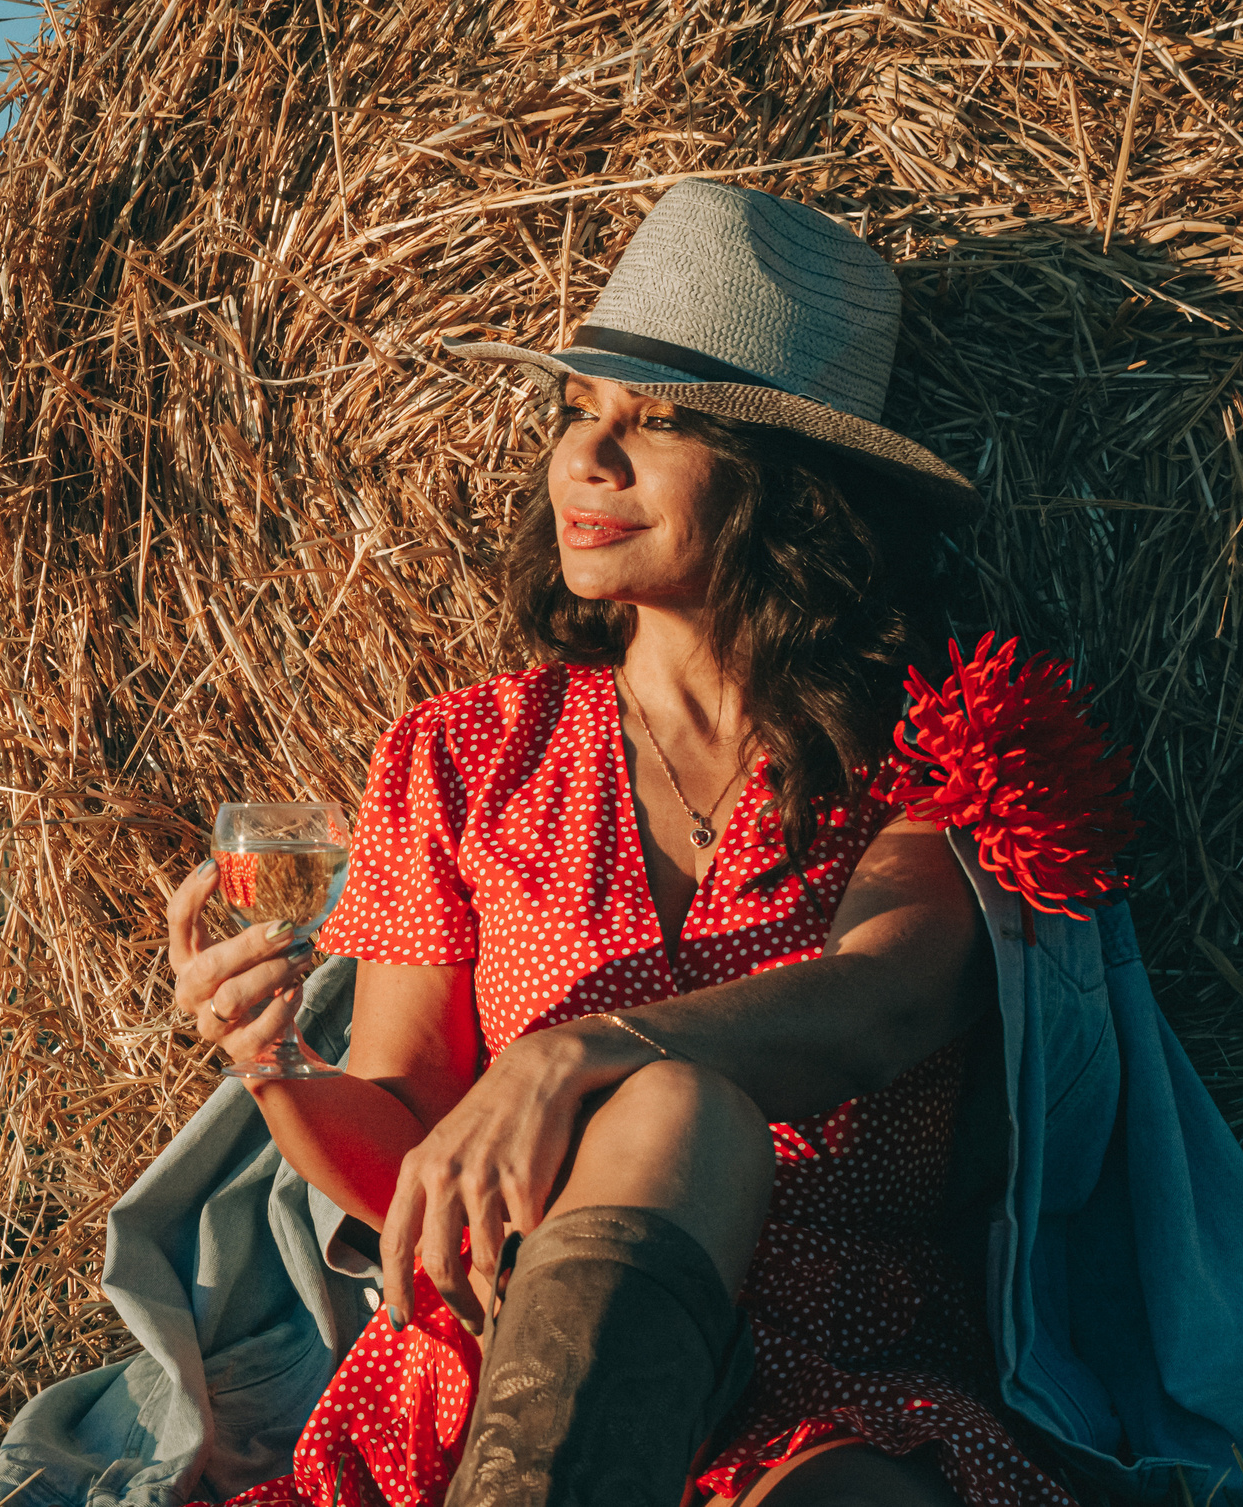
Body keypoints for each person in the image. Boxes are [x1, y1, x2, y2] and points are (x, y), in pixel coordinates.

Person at [166, 181, 1084, 1507]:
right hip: (521, 1352)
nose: (587, 460)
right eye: (579, 410)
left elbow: (880, 1003)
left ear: (787, 484)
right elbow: (413, 1150)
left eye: (658, 424)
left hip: (832, 1366)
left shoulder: (934, 749)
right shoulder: (462, 753)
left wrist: (578, 1051)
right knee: (670, 1112)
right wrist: (271, 1064)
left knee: (685, 1121)